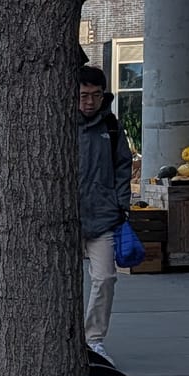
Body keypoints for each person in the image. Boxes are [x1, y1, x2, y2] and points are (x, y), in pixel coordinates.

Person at [78, 62, 134, 359]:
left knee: (105, 278)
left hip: (103, 217)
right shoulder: (55, 123)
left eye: (96, 95)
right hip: (65, 219)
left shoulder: (110, 125)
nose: (89, 102)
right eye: (84, 95)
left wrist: (120, 204)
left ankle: (94, 340)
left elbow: (123, 165)